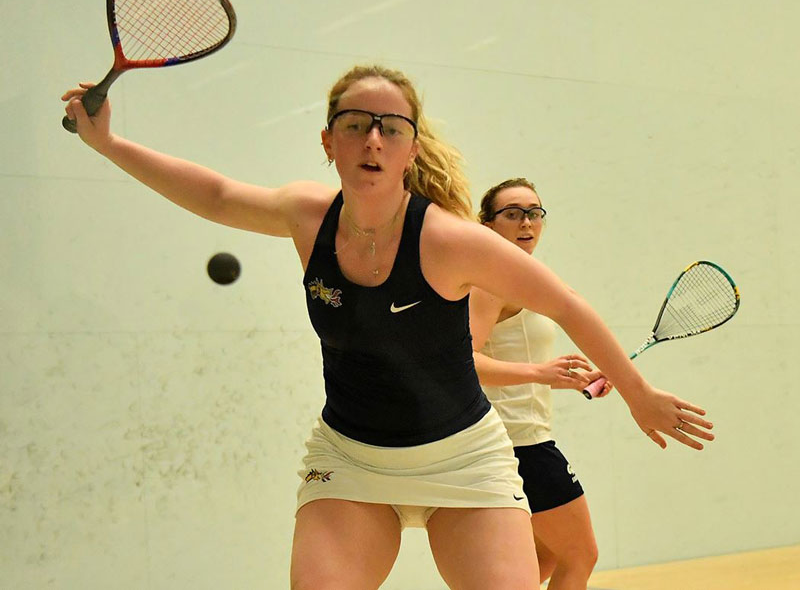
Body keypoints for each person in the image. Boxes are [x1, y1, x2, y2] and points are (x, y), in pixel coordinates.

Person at [62, 64, 714, 590]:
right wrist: (109, 143)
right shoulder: (307, 215)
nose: (373, 139)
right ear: (329, 142)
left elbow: (566, 304)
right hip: (350, 459)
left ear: (410, 147)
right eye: (355, 124)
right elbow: (217, 197)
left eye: (390, 127)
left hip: (463, 461)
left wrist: (638, 393)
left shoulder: (452, 241)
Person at [471, 178, 611, 589]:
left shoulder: (525, 280)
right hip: (520, 444)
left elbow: (517, 360)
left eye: (534, 213)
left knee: (543, 557)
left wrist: (564, 379)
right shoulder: (490, 283)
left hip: (521, 438)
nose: (526, 222)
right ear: (488, 224)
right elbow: (466, 361)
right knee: (581, 555)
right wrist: (540, 374)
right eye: (512, 213)